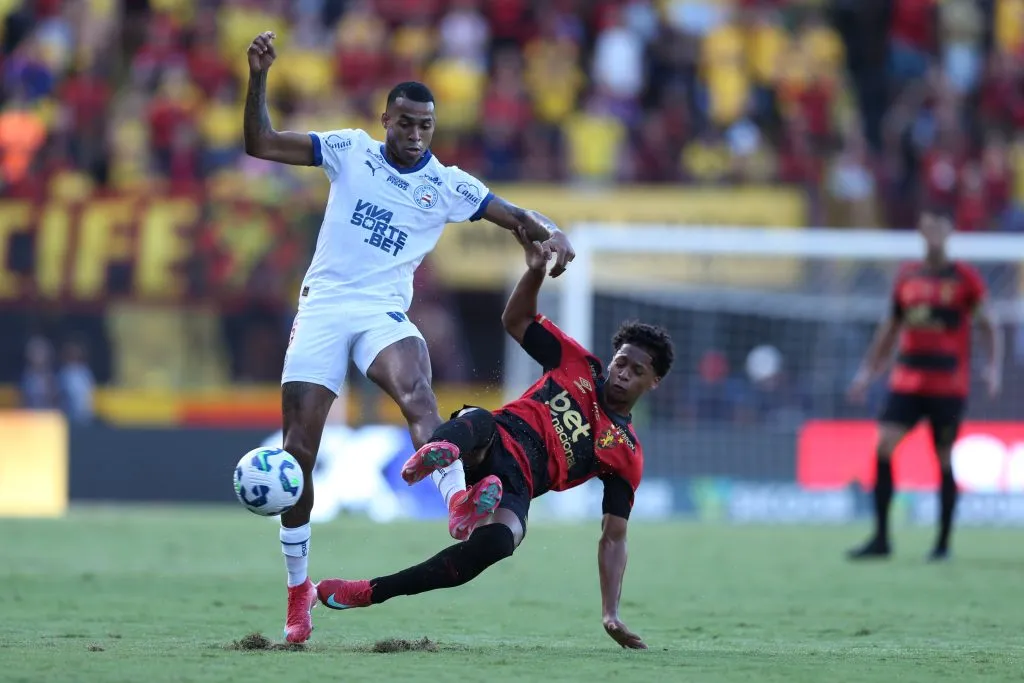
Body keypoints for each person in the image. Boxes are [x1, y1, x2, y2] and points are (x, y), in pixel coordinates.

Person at [243, 32, 576, 644]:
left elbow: (517, 218)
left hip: (381, 311)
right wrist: (259, 76)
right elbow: (260, 143)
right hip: (323, 308)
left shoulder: (449, 185)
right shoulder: (348, 150)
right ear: (385, 120)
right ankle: (298, 597)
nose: (415, 133)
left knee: (417, 392)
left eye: (425, 124)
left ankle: (456, 503)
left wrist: (551, 234)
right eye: (405, 122)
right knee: (300, 453)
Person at [315, 227, 674, 650]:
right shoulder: (578, 364)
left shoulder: (626, 454)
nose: (622, 373)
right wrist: (536, 272)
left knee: (499, 543)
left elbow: (613, 536)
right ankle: (444, 464)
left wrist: (610, 611)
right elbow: (515, 320)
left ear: (654, 382)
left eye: (636, 371)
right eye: (621, 362)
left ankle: (368, 591)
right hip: (497, 436)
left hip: (520, 484)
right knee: (477, 420)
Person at [846, 208, 1002, 562]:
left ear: (950, 232)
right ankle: (882, 539)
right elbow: (890, 328)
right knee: (884, 445)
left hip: (947, 385)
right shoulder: (907, 277)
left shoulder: (965, 279)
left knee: (944, 459)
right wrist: (867, 372)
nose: (933, 234)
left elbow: (987, 324)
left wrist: (993, 367)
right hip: (907, 381)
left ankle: (943, 543)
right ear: (920, 231)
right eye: (927, 228)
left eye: (939, 228)